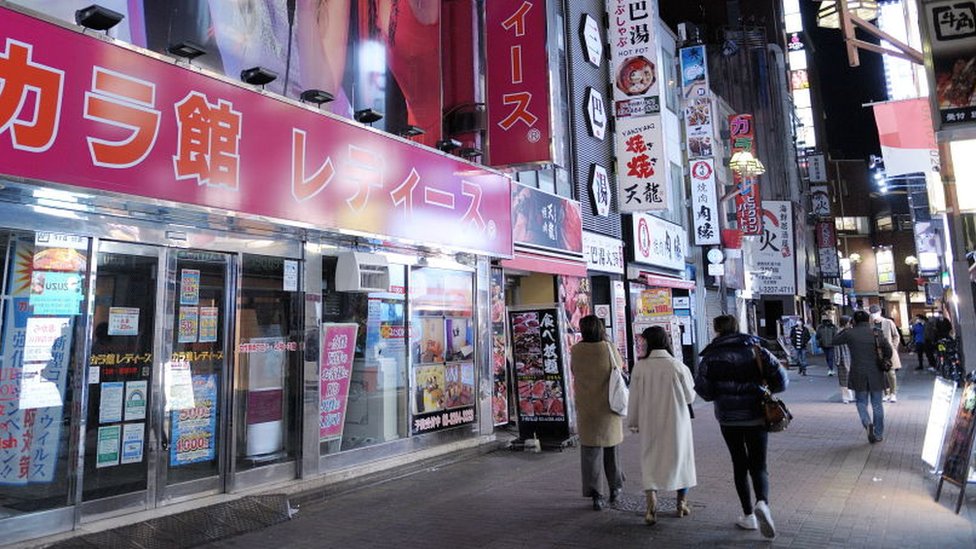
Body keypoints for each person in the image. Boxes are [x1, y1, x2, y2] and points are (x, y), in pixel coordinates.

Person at [695, 315, 788, 539]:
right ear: (737, 328)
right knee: (759, 464)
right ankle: (763, 503)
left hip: (728, 418)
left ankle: (748, 515)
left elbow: (705, 392)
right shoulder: (757, 350)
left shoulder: (710, 355)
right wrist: (762, 389)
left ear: (717, 329)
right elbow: (782, 381)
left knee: (739, 464)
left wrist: (723, 391)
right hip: (756, 415)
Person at [627, 326, 697, 525]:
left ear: (648, 343)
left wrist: (633, 422)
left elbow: (634, 399)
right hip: (677, 424)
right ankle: (681, 504)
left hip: (650, 423)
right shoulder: (677, 366)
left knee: (651, 461)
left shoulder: (640, 367)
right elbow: (690, 396)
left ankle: (651, 507)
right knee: (680, 461)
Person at [569, 315, 625, 511]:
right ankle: (615, 488)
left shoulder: (576, 350)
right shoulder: (607, 348)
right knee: (612, 450)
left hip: (587, 408)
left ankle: (596, 495)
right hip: (609, 407)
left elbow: (574, 371)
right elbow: (620, 367)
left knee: (590, 453)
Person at [834, 310, 892, 443]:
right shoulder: (877, 332)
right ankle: (878, 434)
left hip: (858, 372)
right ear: (869, 320)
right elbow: (888, 350)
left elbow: (835, 340)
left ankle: (867, 423)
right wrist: (884, 359)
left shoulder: (850, 333)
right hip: (876, 372)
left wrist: (846, 328)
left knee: (861, 402)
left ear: (853, 321)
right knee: (877, 404)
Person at [868, 305, 901, 402]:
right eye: (872, 314)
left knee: (891, 373)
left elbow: (896, 336)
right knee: (881, 374)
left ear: (879, 313)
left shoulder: (888, 322)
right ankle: (886, 393)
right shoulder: (871, 325)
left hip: (889, 351)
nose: (874, 316)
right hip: (877, 352)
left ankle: (893, 393)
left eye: (875, 313)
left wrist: (893, 347)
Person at [835, 316, 854, 404]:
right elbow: (837, 348)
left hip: (851, 357)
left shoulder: (851, 331)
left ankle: (849, 396)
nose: (850, 324)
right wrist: (838, 360)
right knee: (844, 378)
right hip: (843, 358)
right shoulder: (839, 333)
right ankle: (846, 397)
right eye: (849, 322)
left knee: (849, 377)